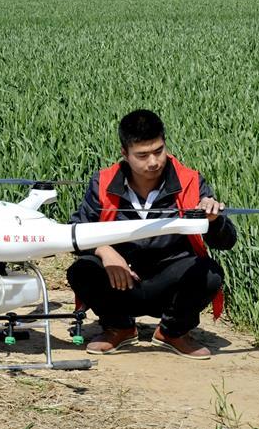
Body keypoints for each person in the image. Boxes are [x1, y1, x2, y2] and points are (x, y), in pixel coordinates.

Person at [67, 109, 236, 359]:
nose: (153, 162)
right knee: (81, 270)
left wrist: (213, 220)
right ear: (125, 154)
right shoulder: (103, 182)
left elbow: (226, 241)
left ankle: (172, 332)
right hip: (120, 281)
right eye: (142, 155)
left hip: (170, 281)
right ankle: (119, 328)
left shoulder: (190, 181)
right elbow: (77, 231)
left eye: (158, 151)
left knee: (210, 273)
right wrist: (105, 251)